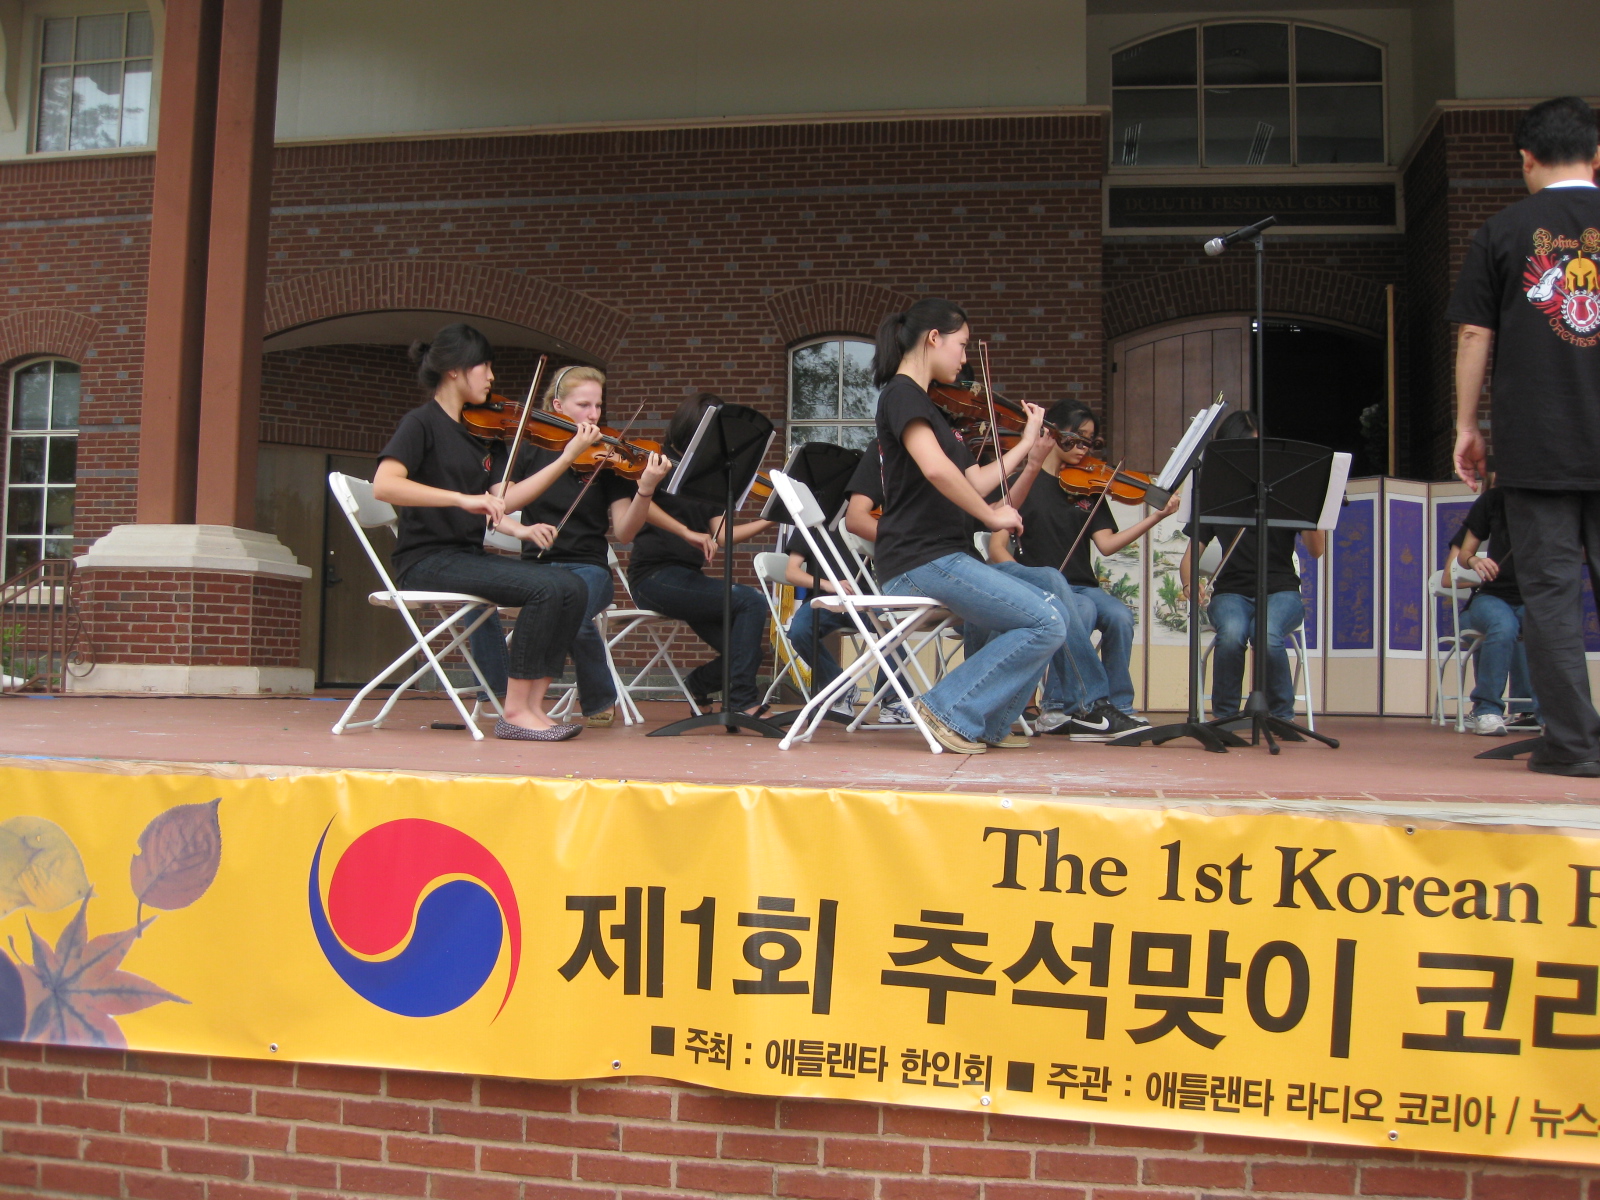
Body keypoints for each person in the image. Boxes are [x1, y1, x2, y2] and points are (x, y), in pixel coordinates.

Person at [1450, 95, 1600, 778]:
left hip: (1539, 445)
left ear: (1526, 159)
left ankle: (1572, 745)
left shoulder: (1504, 230)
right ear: (1597, 157)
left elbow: (1477, 332)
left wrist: (1465, 424)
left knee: (1551, 599)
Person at [869, 297, 1069, 754]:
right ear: (933, 338)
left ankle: (982, 725)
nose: (964, 357)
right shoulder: (902, 394)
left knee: (1049, 609)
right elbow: (938, 471)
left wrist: (1026, 447)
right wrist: (992, 516)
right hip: (920, 557)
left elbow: (973, 479)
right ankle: (946, 709)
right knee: (1045, 623)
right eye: (961, 345)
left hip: (941, 555)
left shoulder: (929, 407)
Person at [372, 324, 588, 742]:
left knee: (572, 585)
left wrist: (565, 458)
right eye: (483, 366)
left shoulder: (478, 435)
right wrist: (461, 499)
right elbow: (385, 484)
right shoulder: (421, 423)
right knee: (544, 589)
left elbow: (506, 500)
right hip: (426, 561)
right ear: (454, 370)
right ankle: (513, 710)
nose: (491, 377)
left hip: (464, 556)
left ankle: (531, 706)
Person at [494, 366, 672, 726]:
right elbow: (503, 503)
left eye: (598, 406)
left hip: (589, 567)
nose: (594, 415)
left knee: (570, 606)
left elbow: (624, 531)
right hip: (536, 569)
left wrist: (646, 488)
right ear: (558, 406)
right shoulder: (527, 449)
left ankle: (556, 704)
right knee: (561, 607)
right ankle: (588, 697)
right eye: (583, 405)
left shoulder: (607, 458)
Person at [988, 401, 1181, 727]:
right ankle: (1058, 707)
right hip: (1047, 585)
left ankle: (1119, 706)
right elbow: (996, 547)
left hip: (1084, 584)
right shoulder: (1025, 483)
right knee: (1081, 610)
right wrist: (1024, 581)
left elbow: (1106, 545)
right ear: (1053, 434)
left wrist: (1156, 517)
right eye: (1076, 438)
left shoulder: (1088, 487)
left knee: (1119, 615)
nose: (1084, 448)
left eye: (1090, 440)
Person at [627, 393, 776, 717]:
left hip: (687, 578)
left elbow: (722, 535)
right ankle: (741, 701)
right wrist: (686, 532)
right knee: (750, 601)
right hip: (653, 577)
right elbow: (640, 504)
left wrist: (771, 517)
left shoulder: (707, 475)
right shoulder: (657, 460)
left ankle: (697, 685)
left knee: (745, 650)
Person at [1177, 410, 1325, 726]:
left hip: (1282, 590)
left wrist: (1312, 506)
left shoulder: (1284, 489)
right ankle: (1226, 718)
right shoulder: (1219, 495)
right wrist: (1192, 585)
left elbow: (1317, 550)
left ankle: (1282, 717)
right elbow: (1190, 559)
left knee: (1267, 633)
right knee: (1231, 634)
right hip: (1232, 592)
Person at [1447, 482, 1539, 736]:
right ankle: (1486, 709)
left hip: (1531, 598)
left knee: (1544, 627)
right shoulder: (1493, 499)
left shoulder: (1549, 502)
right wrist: (1475, 560)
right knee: (1503, 625)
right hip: (1491, 596)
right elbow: (1464, 553)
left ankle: (1546, 714)